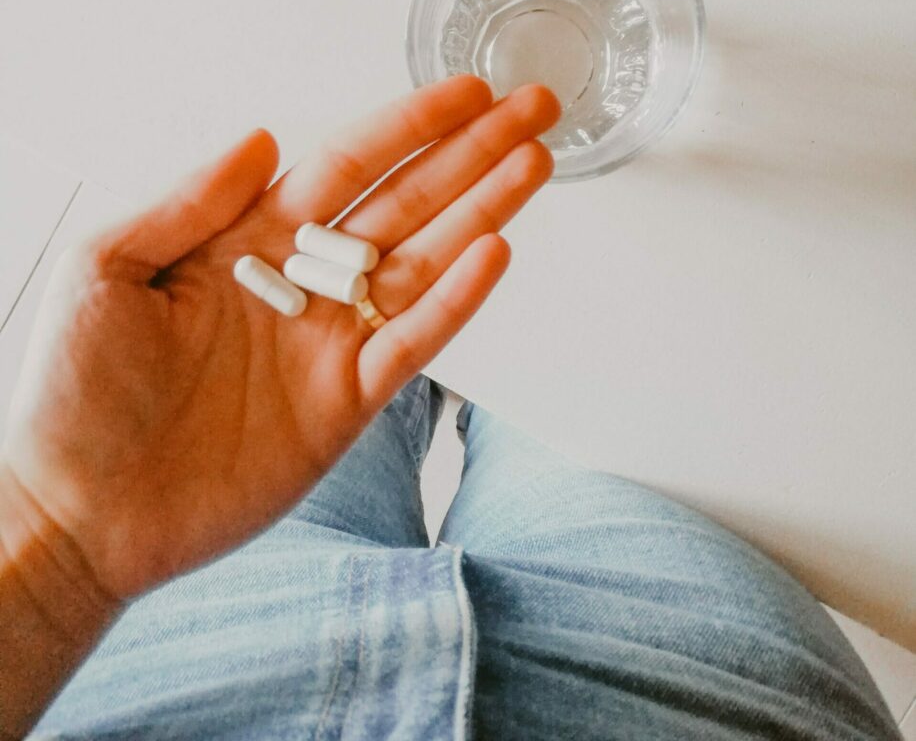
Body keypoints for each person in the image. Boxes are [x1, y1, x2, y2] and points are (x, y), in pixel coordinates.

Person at [0, 76, 901, 740]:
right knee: (592, 358)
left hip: (168, 650)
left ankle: (452, 358)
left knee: (365, 337)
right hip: (672, 687)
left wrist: (57, 550)